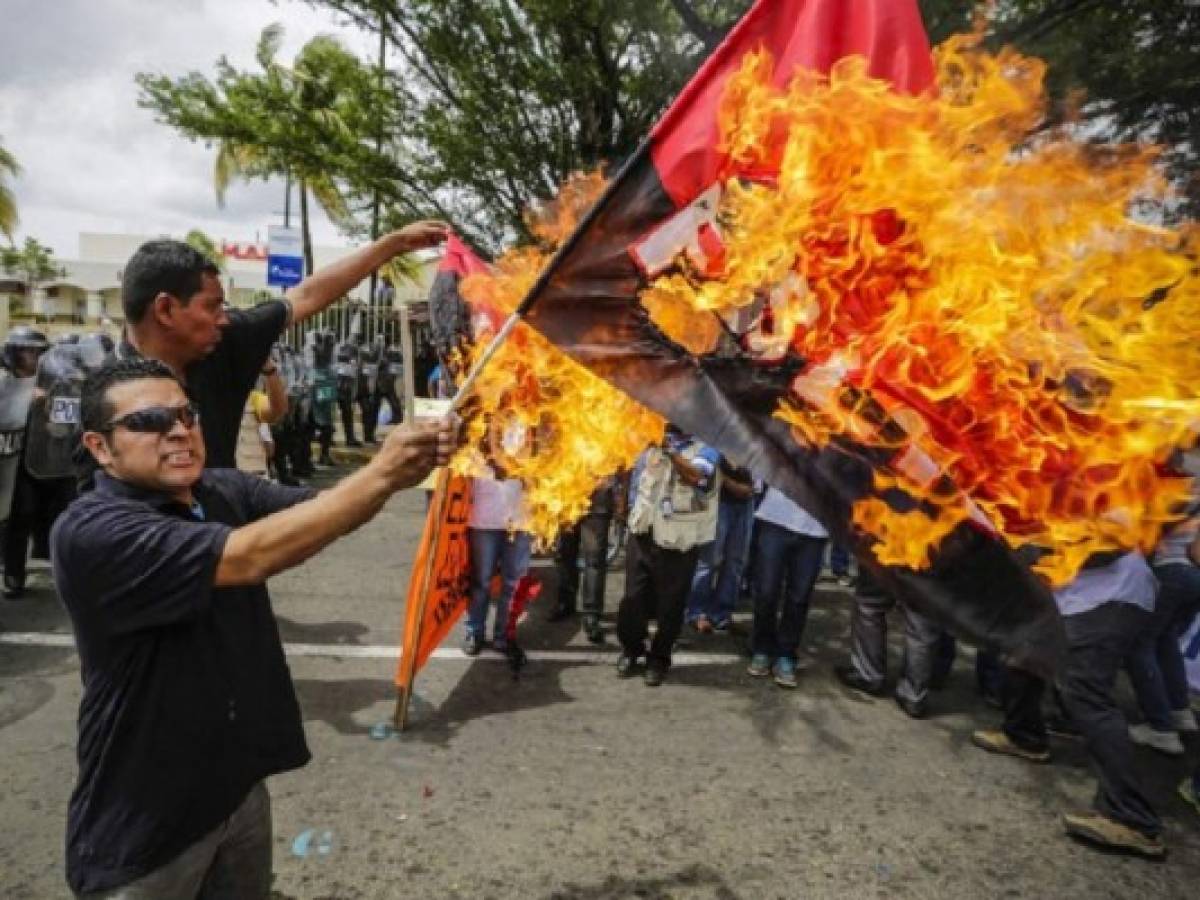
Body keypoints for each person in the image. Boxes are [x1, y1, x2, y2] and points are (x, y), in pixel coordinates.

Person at [51, 356, 455, 897]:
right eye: (149, 422)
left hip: (236, 790)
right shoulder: (94, 531)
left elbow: (329, 510)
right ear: (101, 448)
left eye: (185, 414)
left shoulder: (219, 490)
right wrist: (383, 469)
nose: (178, 430)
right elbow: (248, 556)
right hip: (145, 818)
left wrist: (405, 465)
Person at [116, 223, 447, 468]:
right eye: (211, 307)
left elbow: (304, 296)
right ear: (165, 310)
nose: (223, 319)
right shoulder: (105, 403)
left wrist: (392, 245)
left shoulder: (227, 340)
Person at [971, 551, 1164, 859]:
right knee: (1022, 658)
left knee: (1086, 696)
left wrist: (1037, 550)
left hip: (1109, 598)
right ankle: (1024, 736)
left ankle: (1133, 818)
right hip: (1075, 598)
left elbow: (1103, 549)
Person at [616, 427, 719, 687]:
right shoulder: (649, 434)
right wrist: (623, 504)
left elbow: (696, 477)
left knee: (671, 606)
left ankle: (659, 659)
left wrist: (669, 451)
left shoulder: (708, 446)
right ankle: (632, 649)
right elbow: (634, 471)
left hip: (679, 540)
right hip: (643, 532)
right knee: (632, 599)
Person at [1124, 511, 1200, 755]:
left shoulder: (1184, 482)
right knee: (1166, 640)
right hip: (1192, 576)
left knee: (1139, 645)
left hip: (1171, 570)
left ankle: (1161, 727)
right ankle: (1179, 710)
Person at [747, 486, 827, 689]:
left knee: (799, 596)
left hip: (815, 530)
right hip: (775, 520)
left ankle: (786, 654)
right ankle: (762, 648)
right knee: (766, 590)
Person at [834, 568, 939, 718]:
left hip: (888, 553)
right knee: (922, 621)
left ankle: (869, 674)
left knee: (870, 604)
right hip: (928, 555)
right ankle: (914, 695)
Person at [463, 469, 531, 655]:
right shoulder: (479, 441)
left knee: (513, 584)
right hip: (484, 520)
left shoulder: (532, 440)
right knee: (481, 582)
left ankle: (504, 635)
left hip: (521, 521)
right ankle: (474, 632)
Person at [547, 477, 621, 644]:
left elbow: (624, 465)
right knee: (563, 553)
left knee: (595, 559)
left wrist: (621, 496)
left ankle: (592, 614)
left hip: (598, 499)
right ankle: (566, 602)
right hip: (565, 494)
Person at [685, 458, 755, 633]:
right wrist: (730, 483)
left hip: (746, 503)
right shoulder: (719, 438)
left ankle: (721, 614)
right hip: (719, 501)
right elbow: (706, 468)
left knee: (736, 561)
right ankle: (696, 613)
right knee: (709, 560)